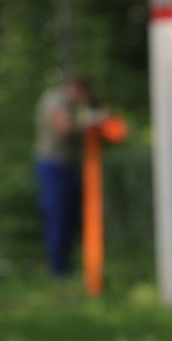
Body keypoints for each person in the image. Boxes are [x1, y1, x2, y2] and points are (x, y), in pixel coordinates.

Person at [33, 77, 104, 279]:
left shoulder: (76, 105)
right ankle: (58, 270)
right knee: (58, 215)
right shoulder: (54, 100)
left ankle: (68, 267)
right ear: (74, 88)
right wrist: (93, 125)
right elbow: (64, 128)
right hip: (53, 165)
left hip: (70, 165)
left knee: (73, 217)